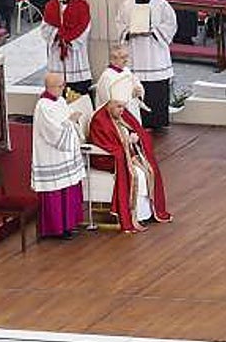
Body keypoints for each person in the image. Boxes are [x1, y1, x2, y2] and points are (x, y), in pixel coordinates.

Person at [87, 88, 171, 232]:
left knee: (149, 170)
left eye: (124, 106)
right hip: (107, 159)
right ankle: (134, 215)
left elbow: (139, 131)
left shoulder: (121, 113)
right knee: (138, 175)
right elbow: (105, 145)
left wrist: (136, 138)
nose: (122, 110)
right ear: (109, 103)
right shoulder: (100, 120)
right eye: (119, 106)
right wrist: (127, 143)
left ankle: (146, 213)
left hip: (127, 154)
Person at [115, 0, 177, 131]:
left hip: (155, 54)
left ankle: (158, 122)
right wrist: (129, 32)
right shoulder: (127, 5)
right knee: (138, 87)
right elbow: (119, 24)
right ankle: (140, 122)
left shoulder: (161, 4)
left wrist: (153, 31)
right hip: (136, 53)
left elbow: (171, 24)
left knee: (157, 90)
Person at [31, 72, 86, 240]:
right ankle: (56, 229)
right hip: (52, 156)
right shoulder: (43, 106)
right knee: (55, 193)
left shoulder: (60, 100)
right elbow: (53, 133)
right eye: (61, 86)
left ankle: (69, 224)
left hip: (65, 155)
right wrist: (70, 121)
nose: (64, 88)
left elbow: (66, 120)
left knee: (68, 190)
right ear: (51, 87)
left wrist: (72, 120)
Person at [41, 0, 92, 97]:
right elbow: (45, 28)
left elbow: (85, 27)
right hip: (57, 53)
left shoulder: (81, 5)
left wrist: (68, 39)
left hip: (74, 53)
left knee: (78, 93)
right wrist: (57, 34)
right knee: (58, 88)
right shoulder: (51, 6)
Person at [94, 44, 145, 123]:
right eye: (123, 57)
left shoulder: (126, 70)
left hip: (132, 110)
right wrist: (131, 95)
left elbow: (137, 84)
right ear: (113, 59)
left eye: (127, 56)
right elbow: (107, 101)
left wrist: (139, 91)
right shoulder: (107, 77)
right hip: (118, 117)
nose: (126, 60)